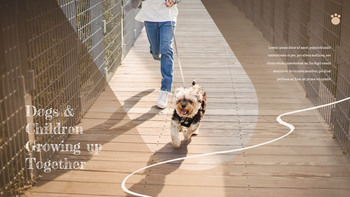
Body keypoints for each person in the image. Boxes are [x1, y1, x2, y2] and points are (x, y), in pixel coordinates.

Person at [124, 0, 182, 109]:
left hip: (168, 17)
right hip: (150, 17)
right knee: (156, 51)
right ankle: (158, 55)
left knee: (166, 49)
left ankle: (165, 90)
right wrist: (126, 7)